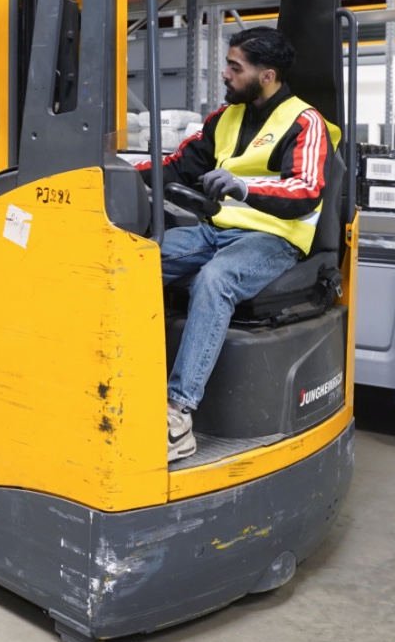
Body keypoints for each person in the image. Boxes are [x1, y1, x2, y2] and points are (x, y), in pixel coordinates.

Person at [137, 27, 335, 461]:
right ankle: (120, 381)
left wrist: (244, 187)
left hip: (275, 237)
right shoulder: (224, 118)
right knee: (132, 259)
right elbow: (177, 166)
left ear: (267, 75)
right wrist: (109, 174)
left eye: (234, 67)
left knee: (216, 279)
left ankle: (178, 414)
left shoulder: (305, 122)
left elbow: (306, 190)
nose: (225, 74)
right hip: (216, 231)